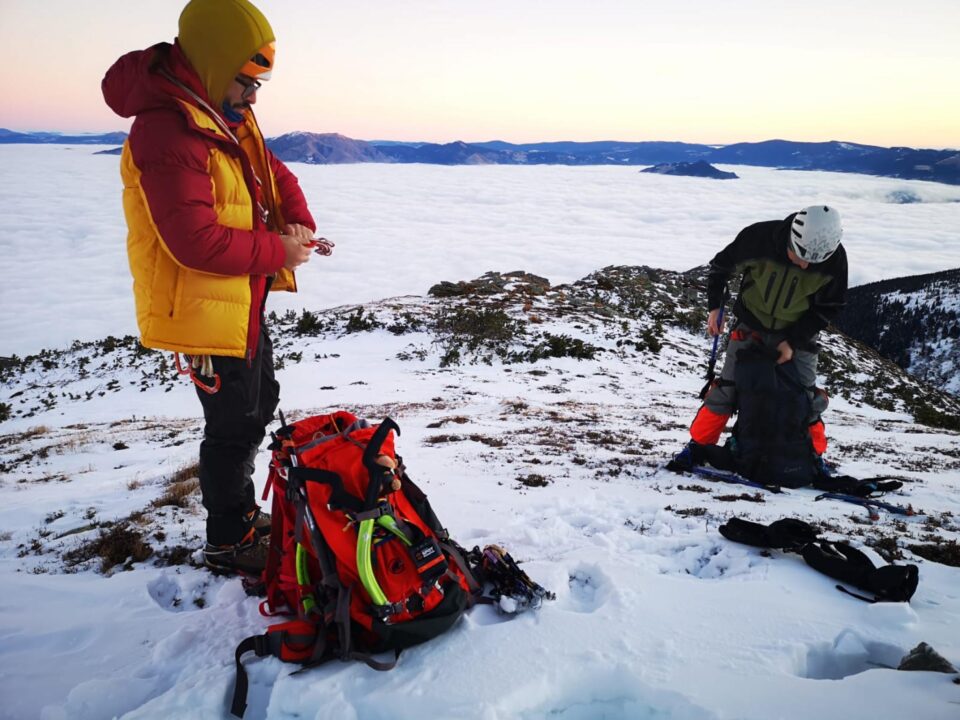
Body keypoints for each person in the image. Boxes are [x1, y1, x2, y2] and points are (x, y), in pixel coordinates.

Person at [102, 0, 324, 575]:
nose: (254, 96)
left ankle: (242, 517)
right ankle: (228, 540)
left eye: (260, 83)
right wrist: (281, 250)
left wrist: (297, 218)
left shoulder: (220, 111)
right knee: (233, 426)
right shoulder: (167, 129)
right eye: (247, 81)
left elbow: (273, 171)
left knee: (258, 403)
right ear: (211, 62)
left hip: (237, 300)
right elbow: (195, 242)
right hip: (204, 309)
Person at [688, 206, 848, 458]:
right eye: (801, 255)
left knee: (804, 399)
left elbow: (830, 307)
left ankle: (812, 458)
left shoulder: (835, 260)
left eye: (814, 260)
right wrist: (714, 307)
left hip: (800, 334)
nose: (805, 265)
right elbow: (721, 267)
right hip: (750, 326)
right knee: (726, 390)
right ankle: (698, 447)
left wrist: (793, 341)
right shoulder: (758, 239)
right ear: (792, 238)